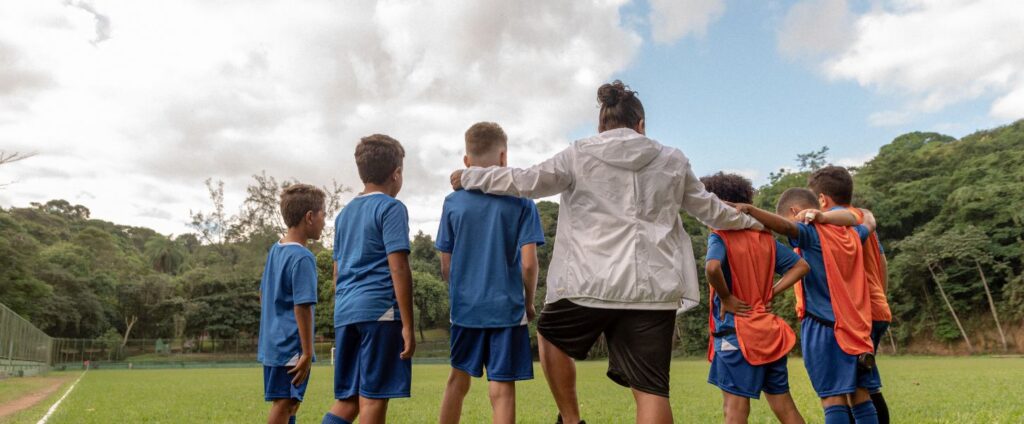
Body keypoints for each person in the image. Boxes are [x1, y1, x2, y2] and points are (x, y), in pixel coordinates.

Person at [450, 80, 764, 424]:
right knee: (652, 389)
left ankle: (572, 420)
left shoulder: (578, 153)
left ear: (601, 126)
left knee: (550, 336)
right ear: (641, 125)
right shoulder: (672, 160)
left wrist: (470, 176)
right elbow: (711, 210)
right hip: (652, 290)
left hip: (588, 284)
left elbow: (524, 181)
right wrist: (756, 223)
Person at [732, 188, 881, 424]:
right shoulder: (852, 234)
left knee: (832, 398)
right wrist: (833, 216)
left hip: (825, 328)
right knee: (861, 396)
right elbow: (869, 219)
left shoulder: (812, 233)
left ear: (795, 211)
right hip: (859, 329)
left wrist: (750, 210)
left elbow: (786, 227)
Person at [436, 122, 546, 424]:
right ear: (503, 157)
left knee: (457, 381)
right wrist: (528, 302)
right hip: (506, 308)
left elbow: (446, 264)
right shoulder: (522, 201)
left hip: (465, 309)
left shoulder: (452, 202)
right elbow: (528, 264)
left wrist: (463, 292)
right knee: (502, 389)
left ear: (466, 161)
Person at [699, 173, 809, 424]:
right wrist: (770, 292)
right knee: (785, 407)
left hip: (737, 333)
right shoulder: (765, 238)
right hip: (769, 333)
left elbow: (712, 268)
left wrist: (726, 297)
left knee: (734, 410)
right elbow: (801, 266)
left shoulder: (720, 236)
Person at [322, 135, 416, 424]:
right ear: (396, 173)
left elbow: (337, 273)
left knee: (348, 400)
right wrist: (408, 325)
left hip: (345, 313)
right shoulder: (391, 208)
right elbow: (399, 268)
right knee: (374, 397)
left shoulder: (344, 215)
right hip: (379, 312)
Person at [807, 166, 892, 424]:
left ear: (822, 199)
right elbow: (883, 262)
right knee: (862, 386)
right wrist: (880, 297)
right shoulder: (861, 219)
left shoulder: (841, 222)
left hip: (856, 312)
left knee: (855, 390)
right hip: (874, 308)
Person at [257, 184, 326, 424]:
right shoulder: (303, 257)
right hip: (289, 347)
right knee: (285, 404)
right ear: (310, 217)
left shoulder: (276, 250)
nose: (325, 221)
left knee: (290, 404)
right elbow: (302, 307)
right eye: (323, 214)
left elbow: (263, 294)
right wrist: (307, 352)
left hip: (273, 343)